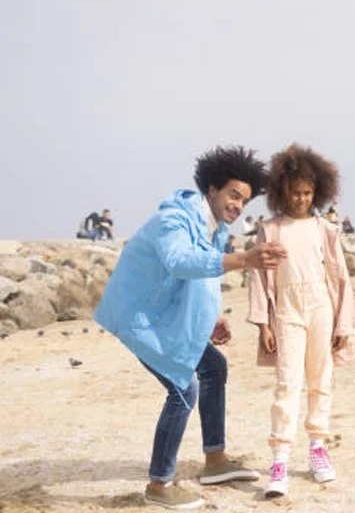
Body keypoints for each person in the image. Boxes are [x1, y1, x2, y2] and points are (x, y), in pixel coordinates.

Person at [94, 146, 287, 510]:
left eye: (244, 200)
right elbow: (180, 260)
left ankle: (215, 461)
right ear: (211, 189)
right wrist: (245, 259)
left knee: (214, 366)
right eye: (233, 195)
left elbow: (201, 275)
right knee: (184, 389)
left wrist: (211, 317)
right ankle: (159, 483)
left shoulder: (213, 226)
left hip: (164, 316)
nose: (238, 206)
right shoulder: (174, 219)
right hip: (139, 317)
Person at [246, 144, 355, 498]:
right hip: (286, 311)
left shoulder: (325, 229)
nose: (301, 198)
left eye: (307, 193)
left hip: (321, 308)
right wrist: (264, 325)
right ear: (282, 191)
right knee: (286, 384)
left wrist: (343, 324)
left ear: (318, 192)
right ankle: (279, 459)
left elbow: (340, 278)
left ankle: (317, 449)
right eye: (295, 192)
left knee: (320, 381)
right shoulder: (270, 229)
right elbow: (259, 278)